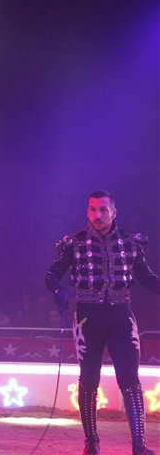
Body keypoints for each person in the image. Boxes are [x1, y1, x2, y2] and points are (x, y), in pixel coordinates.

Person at [45, 191, 159, 455]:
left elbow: (148, 278)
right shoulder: (74, 243)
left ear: (113, 212)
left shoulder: (130, 243)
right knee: (88, 381)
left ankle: (139, 444)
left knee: (130, 380)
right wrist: (59, 290)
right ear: (87, 212)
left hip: (121, 318)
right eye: (93, 209)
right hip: (88, 319)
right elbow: (51, 274)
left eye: (103, 210)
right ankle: (91, 443)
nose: (98, 215)